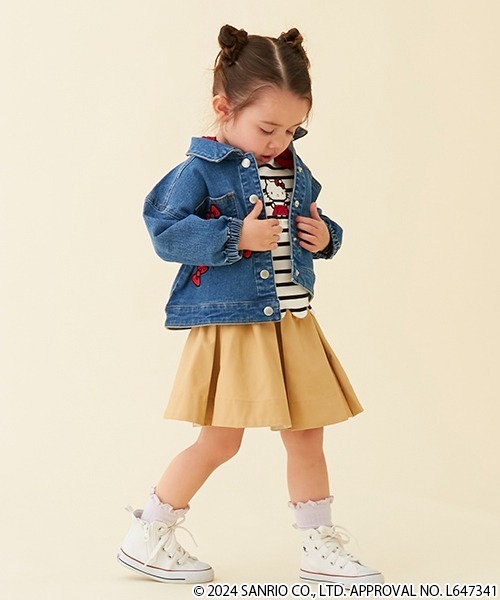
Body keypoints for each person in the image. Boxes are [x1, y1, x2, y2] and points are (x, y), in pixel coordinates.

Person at [117, 24, 384, 587]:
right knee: (220, 440)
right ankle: (150, 533)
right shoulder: (199, 170)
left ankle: (317, 545)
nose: (279, 140)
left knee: (308, 434)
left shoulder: (293, 168)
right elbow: (164, 231)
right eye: (267, 128)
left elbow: (309, 223)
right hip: (235, 321)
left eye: (293, 129)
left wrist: (325, 237)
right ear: (224, 108)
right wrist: (234, 236)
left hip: (292, 318)